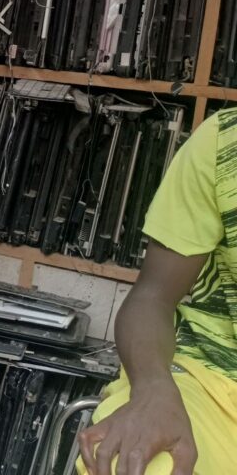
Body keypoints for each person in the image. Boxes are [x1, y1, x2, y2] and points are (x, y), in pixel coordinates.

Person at [77, 110, 237, 475]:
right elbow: (153, 296)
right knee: (134, 459)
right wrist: (153, 388)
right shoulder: (225, 140)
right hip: (215, 381)